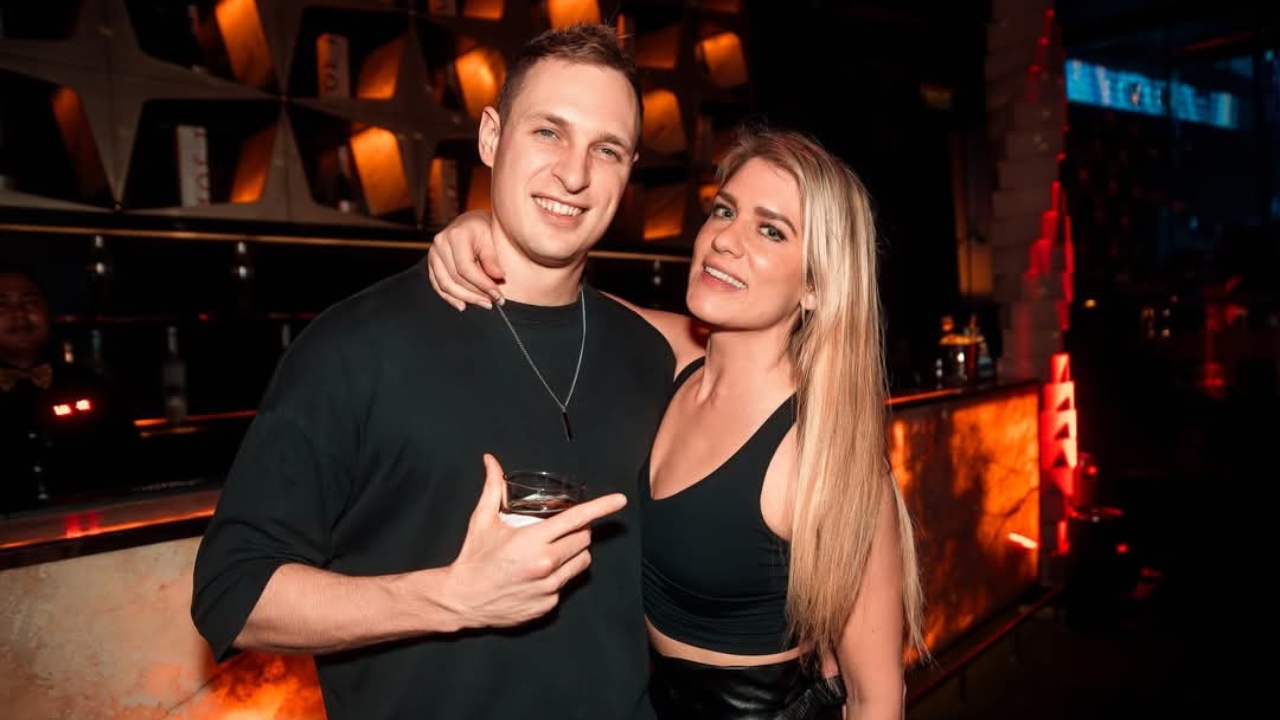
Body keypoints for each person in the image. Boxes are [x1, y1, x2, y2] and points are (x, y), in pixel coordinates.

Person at [189, 24, 705, 720]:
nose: (575, 174)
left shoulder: (650, 356)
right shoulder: (358, 346)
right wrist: (452, 598)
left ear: (629, 169)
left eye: (605, 149)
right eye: (548, 132)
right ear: (491, 137)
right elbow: (232, 593)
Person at [427, 126, 928, 718]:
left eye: (770, 230)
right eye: (724, 211)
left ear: (816, 285)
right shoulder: (677, 358)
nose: (725, 240)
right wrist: (481, 229)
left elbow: (875, 697)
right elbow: (558, 294)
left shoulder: (820, 454)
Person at [0, 263, 139, 513]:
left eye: (30, 302)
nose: (19, 313)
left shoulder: (94, 388)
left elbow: (131, 468)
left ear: (48, 312)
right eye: (3, 305)